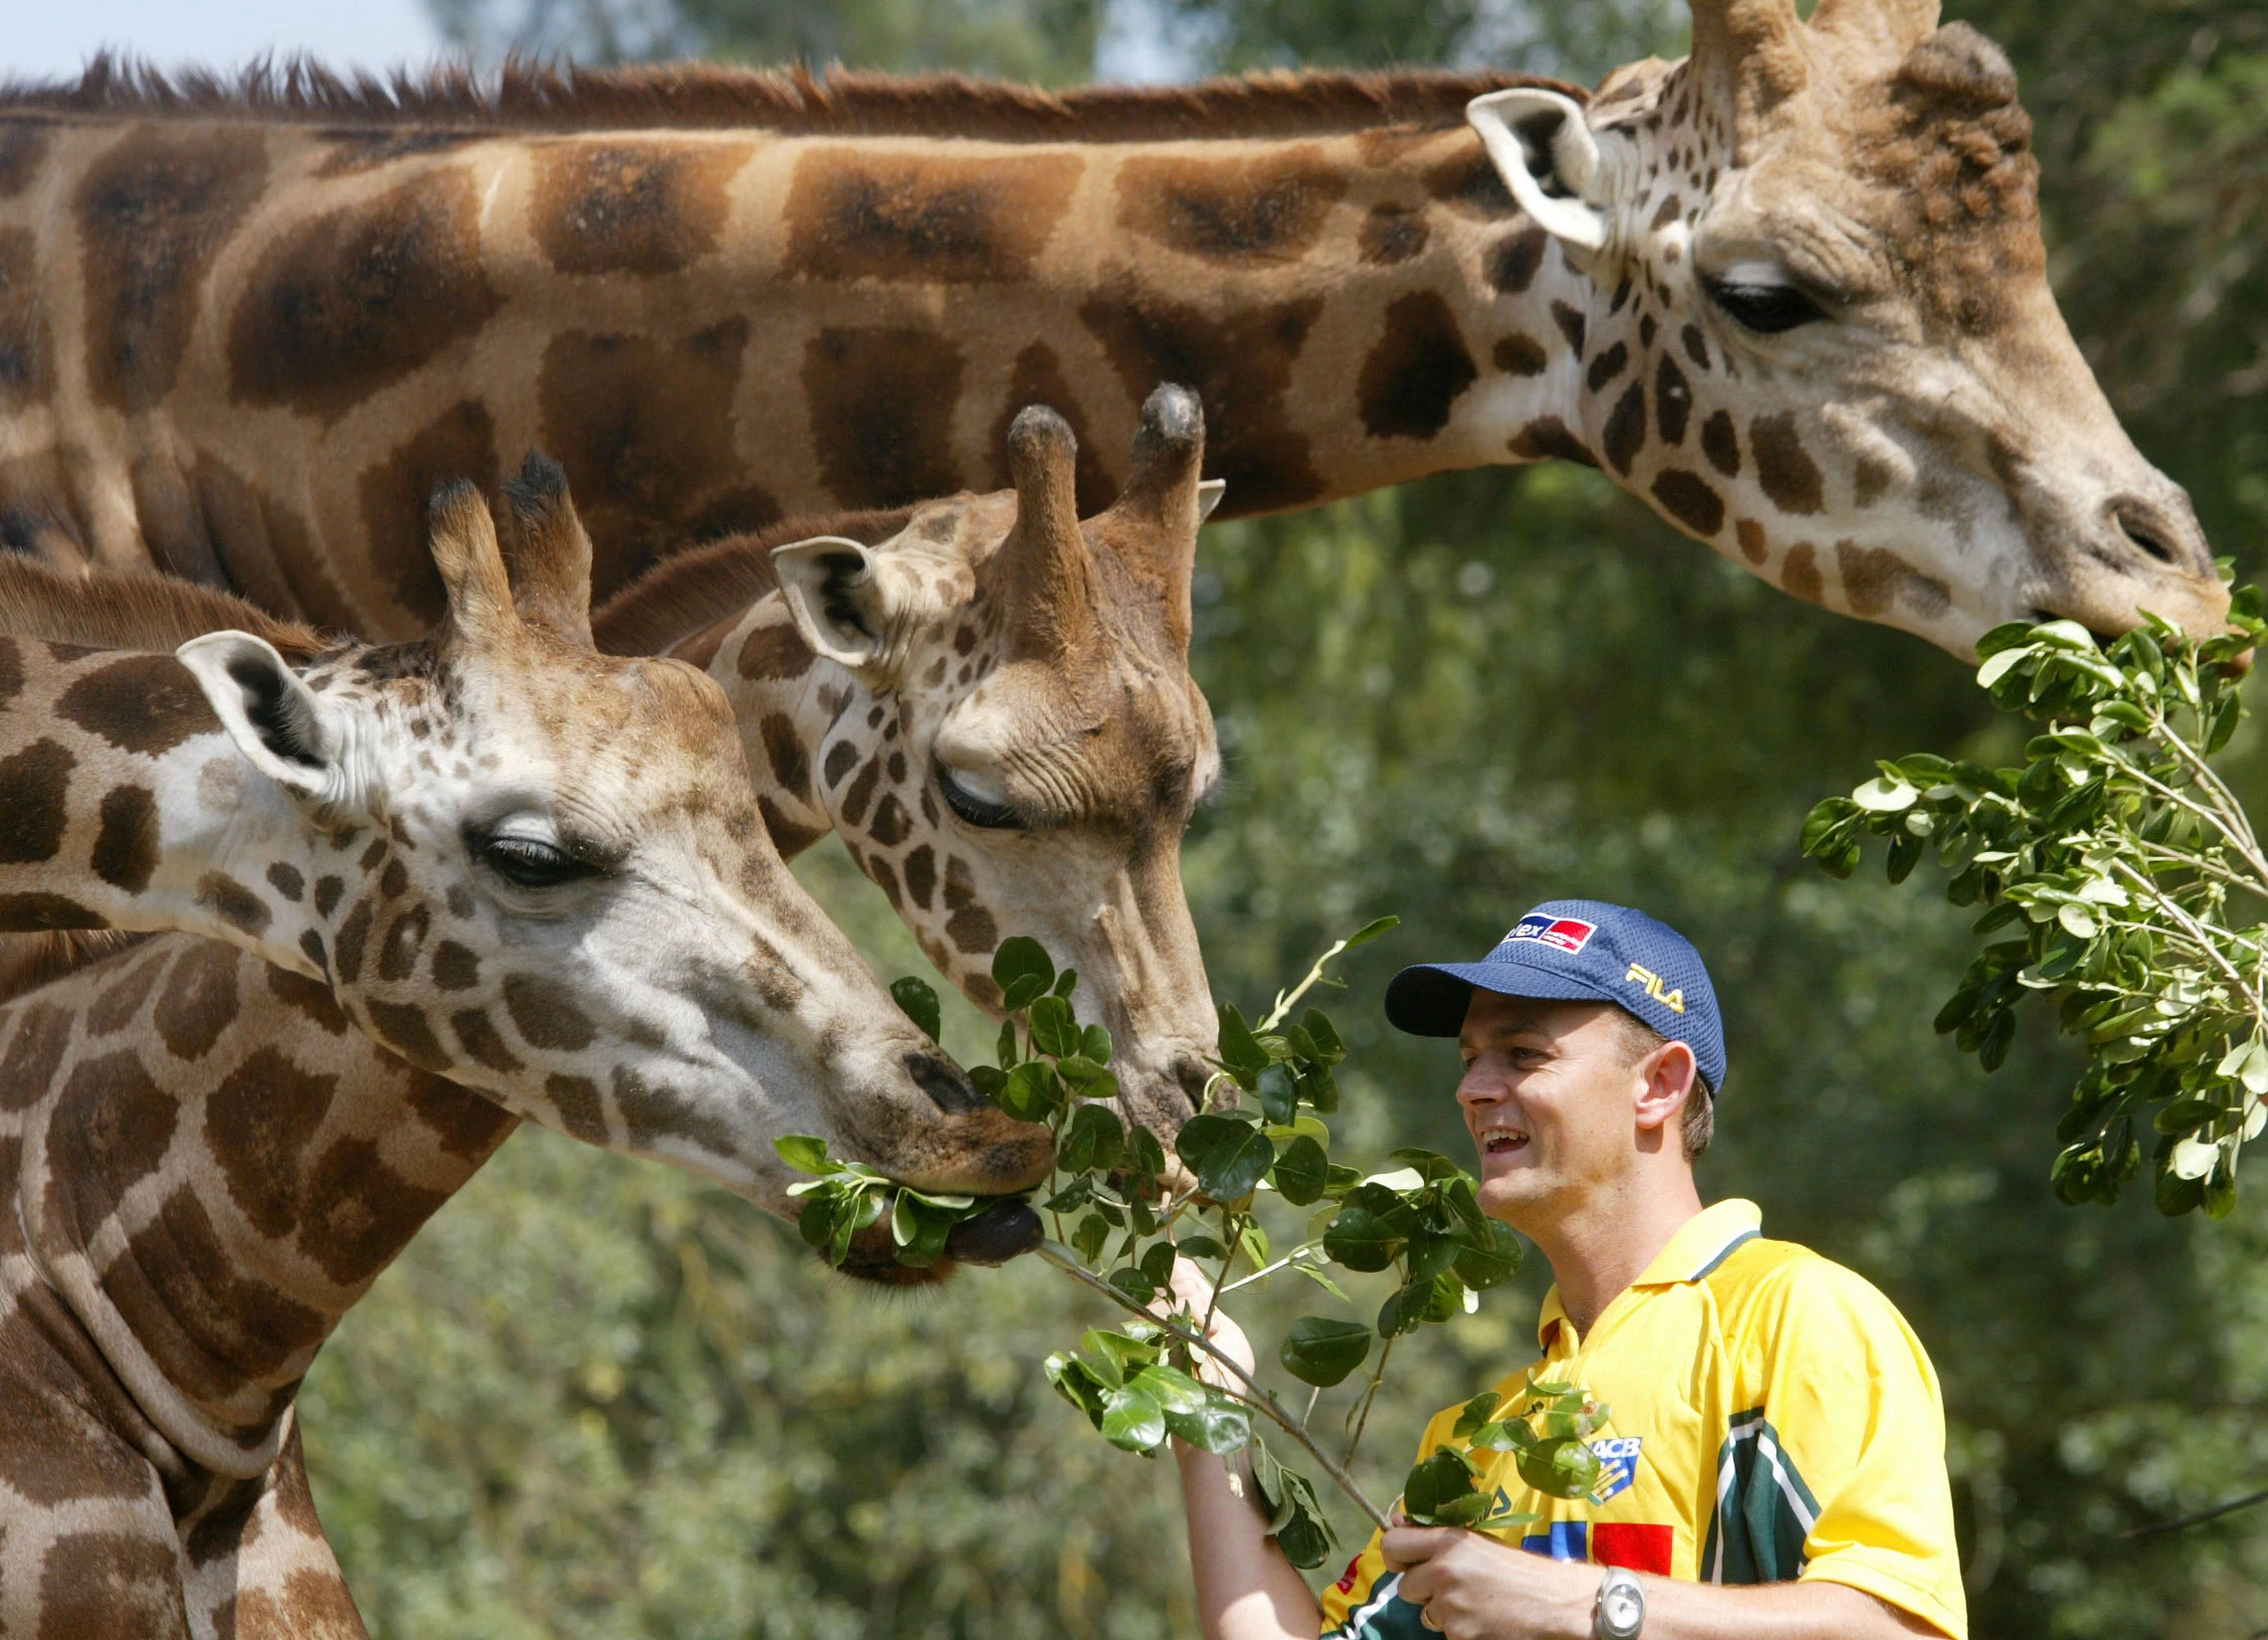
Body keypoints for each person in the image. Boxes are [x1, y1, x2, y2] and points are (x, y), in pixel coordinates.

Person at [1173, 901, 1967, 1640]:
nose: (1472, 1089)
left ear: (1657, 1084)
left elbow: (1903, 1627)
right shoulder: (1475, 1440)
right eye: (1471, 1058)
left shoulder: (1794, 1318)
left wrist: (1583, 1603)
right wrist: (1208, 1402)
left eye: (1521, 1053)